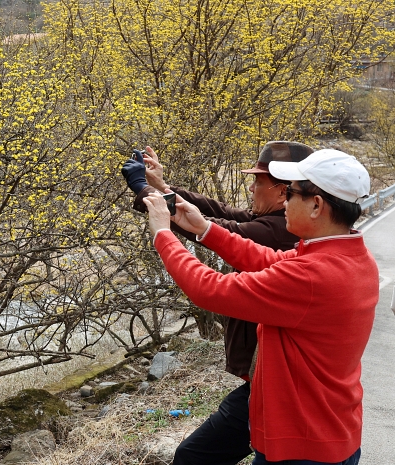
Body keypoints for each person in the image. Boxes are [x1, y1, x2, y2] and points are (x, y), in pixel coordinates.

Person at [141, 149, 378, 464]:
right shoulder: (350, 256)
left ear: (317, 205)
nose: (284, 202)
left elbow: (208, 289)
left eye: (290, 193)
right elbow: (269, 259)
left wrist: (163, 235)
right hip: (329, 428)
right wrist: (204, 229)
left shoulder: (311, 276)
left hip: (301, 445)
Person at [122, 141, 314, 465]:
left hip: (283, 394)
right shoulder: (303, 238)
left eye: (259, 181)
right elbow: (216, 215)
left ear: (285, 193)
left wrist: (153, 209)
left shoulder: (282, 232)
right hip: (274, 386)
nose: (251, 187)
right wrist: (161, 188)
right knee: (195, 456)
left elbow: (214, 269)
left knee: (194, 457)